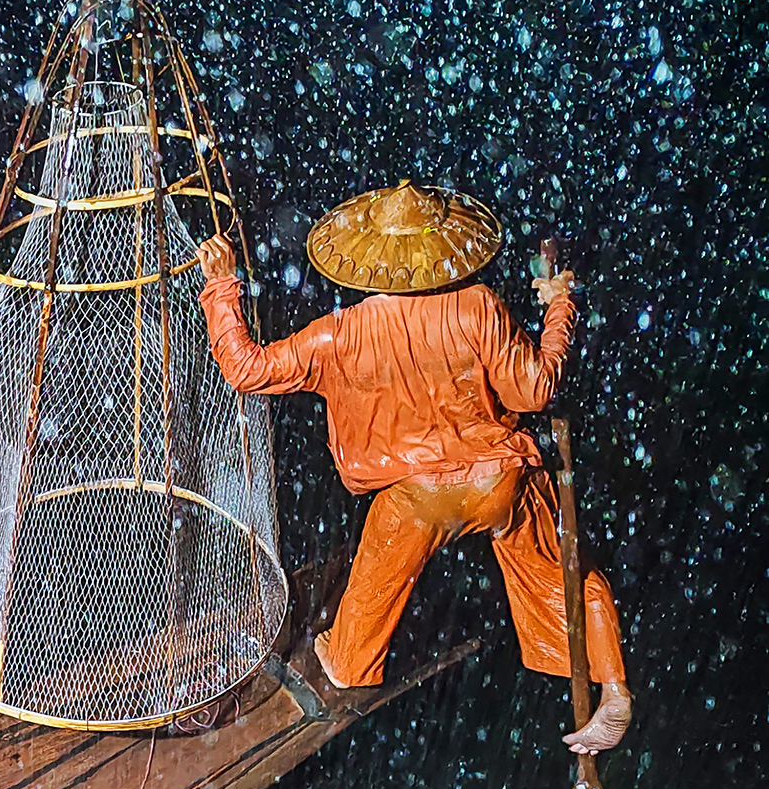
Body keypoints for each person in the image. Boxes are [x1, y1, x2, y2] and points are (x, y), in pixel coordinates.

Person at [195, 181, 630, 752]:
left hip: (419, 497)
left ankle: (348, 661)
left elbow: (246, 369)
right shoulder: (478, 307)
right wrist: (559, 306)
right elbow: (535, 389)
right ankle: (614, 687)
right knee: (559, 574)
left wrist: (221, 285)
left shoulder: (340, 334)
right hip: (497, 482)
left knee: (367, 600)